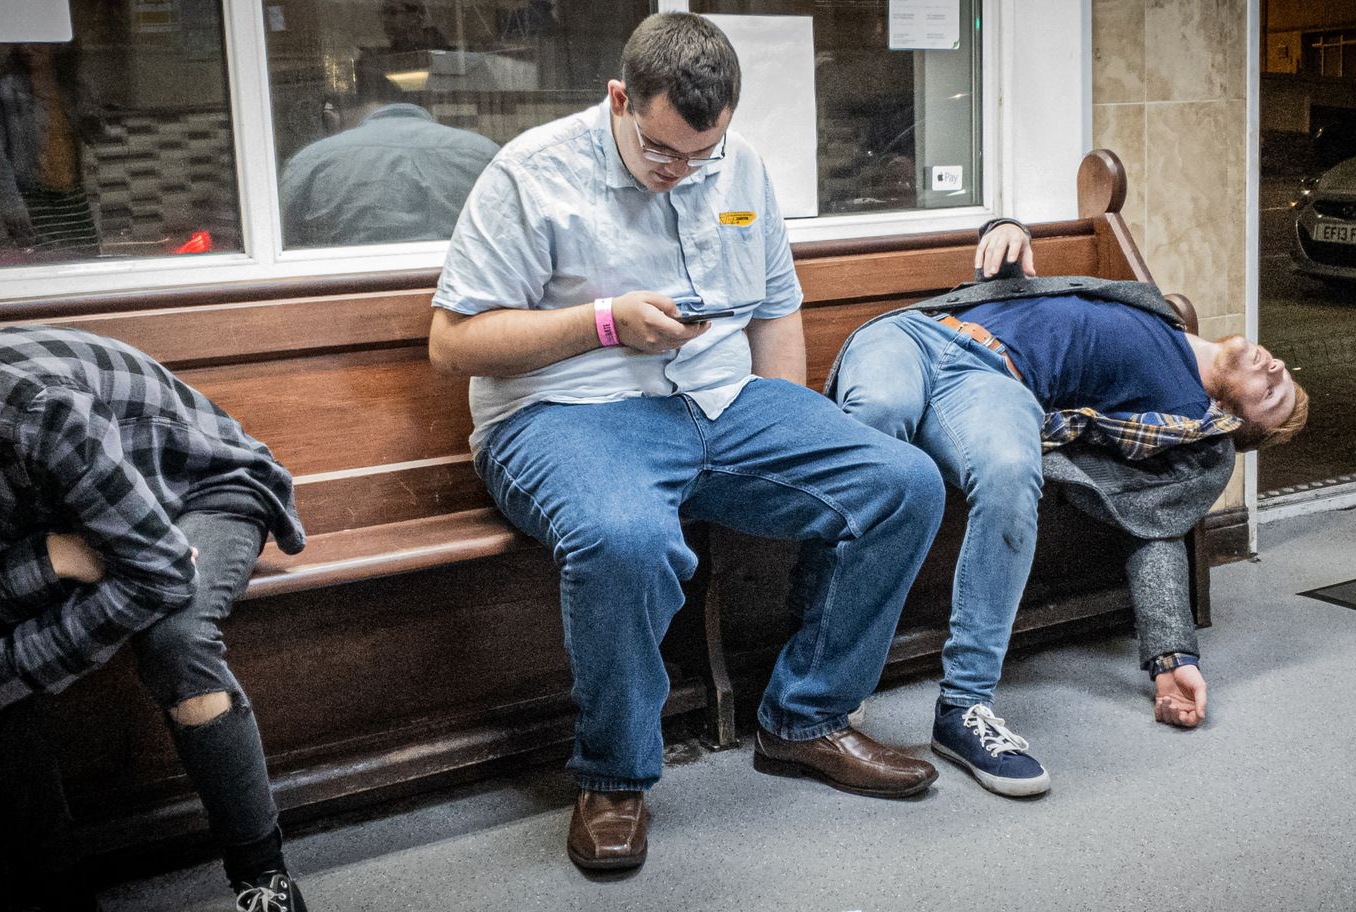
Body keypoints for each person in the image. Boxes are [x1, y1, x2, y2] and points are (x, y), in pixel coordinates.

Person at [429, 12, 947, 871]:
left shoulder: (736, 165)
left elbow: (777, 307)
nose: (682, 175)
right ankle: (615, 777)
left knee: (902, 482)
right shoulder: (532, 172)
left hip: (719, 401)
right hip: (562, 414)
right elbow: (452, 344)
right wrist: (601, 324)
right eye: (662, 154)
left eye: (701, 157)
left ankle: (807, 719)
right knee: (625, 538)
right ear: (619, 100)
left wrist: (790, 426)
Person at [0, 327, 311, 912]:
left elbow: (166, 573)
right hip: (71, 522)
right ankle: (57, 890)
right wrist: (55, 558)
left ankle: (264, 885)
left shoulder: (39, 415)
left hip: (199, 486)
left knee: (175, 638)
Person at [817, 219, 1310, 798]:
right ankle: (829, 683)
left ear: (1235, 423)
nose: (1276, 369)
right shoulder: (1158, 311)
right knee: (879, 415)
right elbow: (1020, 281)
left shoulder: (1186, 430)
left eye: (1272, 396)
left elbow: (1156, 522)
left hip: (995, 384)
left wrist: (1170, 653)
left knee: (1010, 473)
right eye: (1283, 374)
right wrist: (1005, 229)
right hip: (915, 336)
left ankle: (964, 708)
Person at [278, 98, 499, 247]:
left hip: (351, 296)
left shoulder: (311, 160)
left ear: (334, 114)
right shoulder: (484, 153)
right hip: (464, 298)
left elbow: (282, 241)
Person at [0, 44, 102, 254]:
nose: (27, 47)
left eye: (36, 39)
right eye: (21, 41)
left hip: (73, 197)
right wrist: (12, 206)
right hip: (33, 200)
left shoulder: (71, 87)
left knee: (87, 265)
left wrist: (90, 118)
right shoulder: (2, 91)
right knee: (44, 270)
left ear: (55, 45)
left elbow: (95, 135)